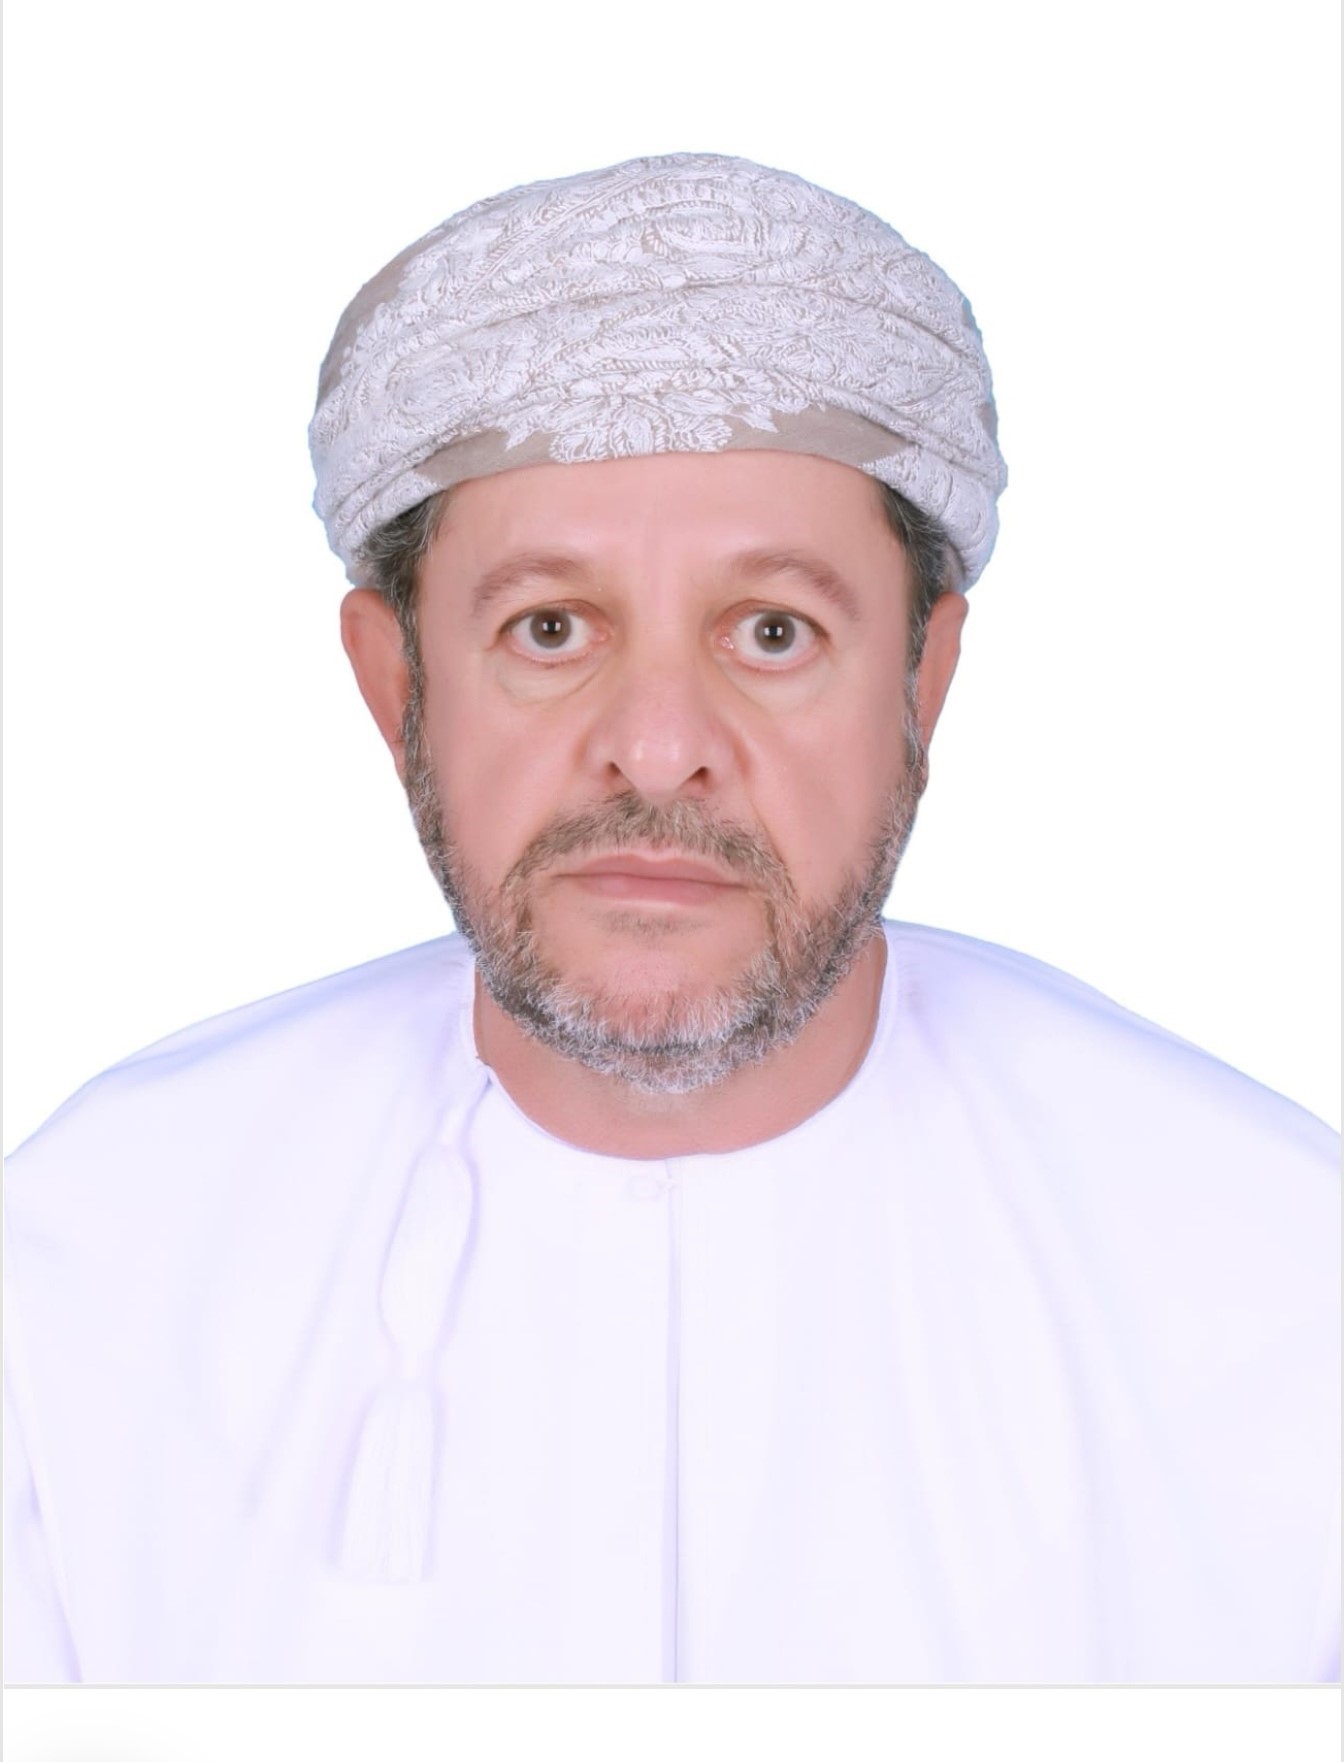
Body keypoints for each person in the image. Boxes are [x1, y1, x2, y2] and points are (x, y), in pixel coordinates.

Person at [4, 153, 1337, 1686]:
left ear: (923, 678)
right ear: (396, 683)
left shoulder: (1279, 1279)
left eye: (772, 631)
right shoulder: (89, 1271)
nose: (654, 747)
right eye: (548, 628)